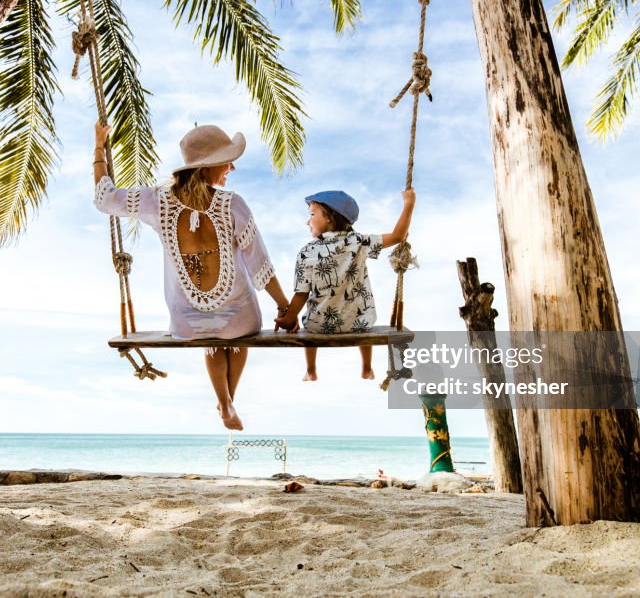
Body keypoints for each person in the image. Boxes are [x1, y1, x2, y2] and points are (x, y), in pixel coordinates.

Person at [93, 122, 294, 430]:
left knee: (210, 339)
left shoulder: (156, 201)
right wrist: (285, 308)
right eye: (227, 160)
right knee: (240, 337)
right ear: (208, 166)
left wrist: (98, 147)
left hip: (188, 320)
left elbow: (104, 199)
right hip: (241, 318)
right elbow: (260, 265)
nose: (232, 166)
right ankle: (227, 403)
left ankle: (225, 403)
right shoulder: (233, 204)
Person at [275, 188, 416, 381]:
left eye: (312, 214)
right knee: (361, 310)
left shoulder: (306, 252)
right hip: (360, 324)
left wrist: (288, 319)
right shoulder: (359, 241)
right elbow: (398, 236)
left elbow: (301, 295)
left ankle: (311, 370)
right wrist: (409, 203)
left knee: (311, 320)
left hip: (319, 326)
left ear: (329, 218)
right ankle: (366, 368)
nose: (307, 221)